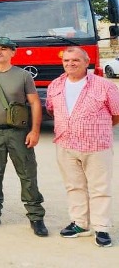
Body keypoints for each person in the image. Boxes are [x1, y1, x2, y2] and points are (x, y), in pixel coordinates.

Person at [0, 37, 48, 236]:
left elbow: (35, 103)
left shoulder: (23, 76)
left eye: (4, 49)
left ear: (13, 52)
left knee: (27, 174)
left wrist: (35, 130)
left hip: (19, 133)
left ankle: (36, 216)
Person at [46, 46, 119, 248]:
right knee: (74, 186)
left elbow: (116, 113)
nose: (70, 64)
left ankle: (101, 228)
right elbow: (52, 110)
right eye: (66, 61)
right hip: (66, 144)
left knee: (99, 188)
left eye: (75, 60)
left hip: (96, 145)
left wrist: (95, 128)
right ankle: (80, 224)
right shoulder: (55, 85)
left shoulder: (105, 86)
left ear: (87, 62)